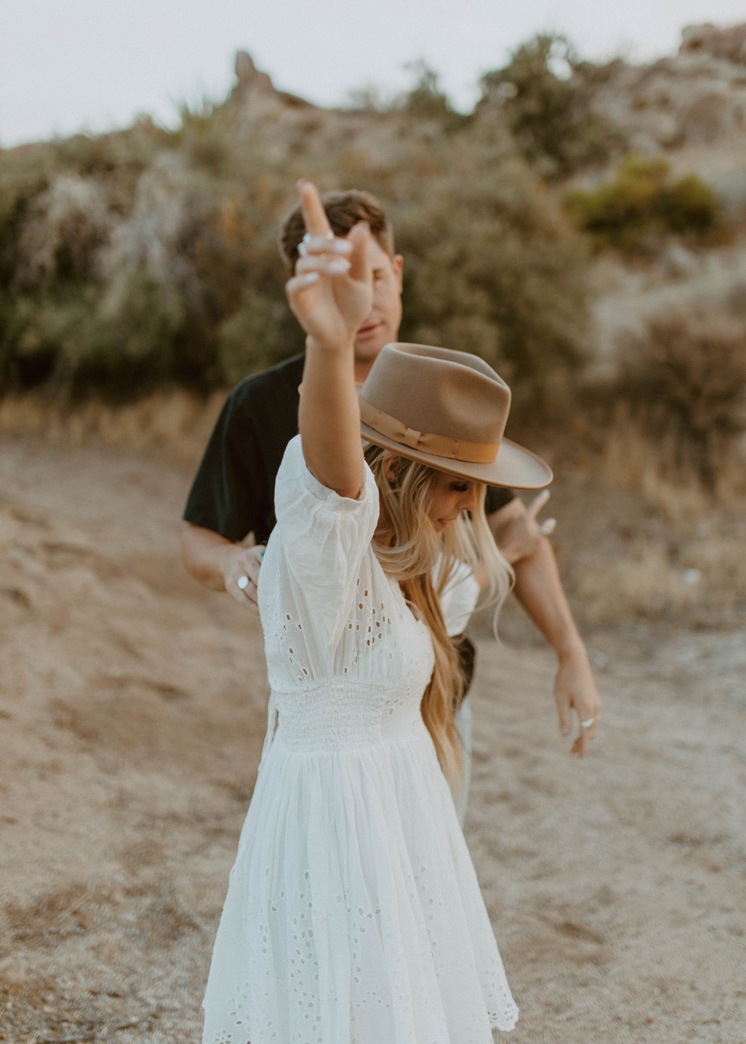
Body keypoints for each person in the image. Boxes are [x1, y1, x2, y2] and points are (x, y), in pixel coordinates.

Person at [201, 179, 556, 1042]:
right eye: (459, 490)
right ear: (400, 472)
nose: (464, 512)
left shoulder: (409, 578)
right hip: (334, 833)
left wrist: (516, 556)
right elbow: (331, 478)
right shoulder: (329, 556)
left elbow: (459, 594)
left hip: (401, 827)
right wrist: (329, 345)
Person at [182, 187, 600, 767]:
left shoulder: (445, 394)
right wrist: (230, 562)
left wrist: (570, 653)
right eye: (336, 280)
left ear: (397, 273)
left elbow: (518, 532)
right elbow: (198, 539)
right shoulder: (257, 406)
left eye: (374, 276)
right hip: (330, 708)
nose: (364, 300)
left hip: (442, 693)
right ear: (301, 289)